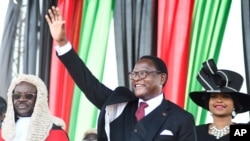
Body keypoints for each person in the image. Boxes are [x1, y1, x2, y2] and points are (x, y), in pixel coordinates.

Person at [45, 6, 197, 141]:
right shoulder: (120, 105)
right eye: (134, 74)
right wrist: (63, 43)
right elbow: (88, 83)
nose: (137, 78)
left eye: (143, 73)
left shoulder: (181, 119)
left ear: (162, 78)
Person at [189, 59, 250, 141]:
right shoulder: (195, 132)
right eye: (214, 96)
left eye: (225, 96)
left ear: (235, 104)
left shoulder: (243, 132)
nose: (219, 100)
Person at [0, 74, 69, 141]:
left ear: (39, 98)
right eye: (17, 96)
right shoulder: (3, 133)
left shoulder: (56, 133)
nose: (21, 99)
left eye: (28, 96)